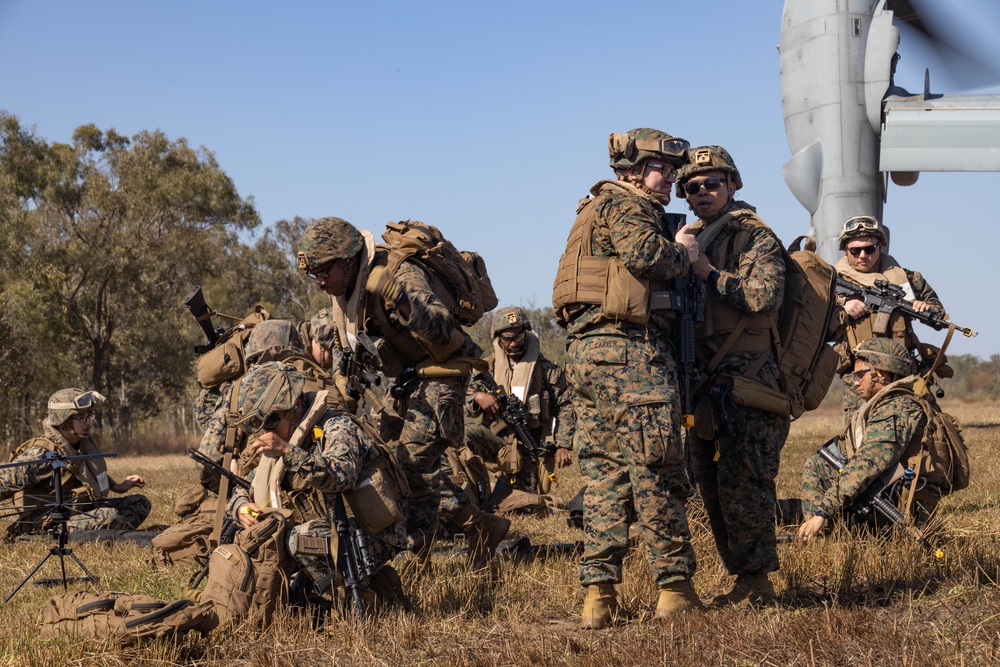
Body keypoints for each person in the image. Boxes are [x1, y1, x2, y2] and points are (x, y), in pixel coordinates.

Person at [551, 127, 702, 628]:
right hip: (629, 355)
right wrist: (683, 251)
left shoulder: (590, 209)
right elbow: (648, 258)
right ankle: (675, 592)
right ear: (633, 171)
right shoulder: (629, 204)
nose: (672, 181)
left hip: (587, 354)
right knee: (657, 469)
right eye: (664, 170)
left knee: (603, 477)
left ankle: (599, 596)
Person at [297, 217, 508, 570]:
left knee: (412, 463)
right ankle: (481, 525)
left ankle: (417, 553)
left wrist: (399, 297)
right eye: (313, 274)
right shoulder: (345, 295)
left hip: (443, 372)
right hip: (408, 379)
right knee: (393, 462)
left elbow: (443, 329)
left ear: (348, 260)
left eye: (324, 271)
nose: (320, 281)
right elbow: (348, 349)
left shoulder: (396, 272)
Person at [673, 145, 788, 607]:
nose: (702, 192)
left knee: (746, 481)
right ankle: (743, 580)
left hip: (749, 380)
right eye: (692, 187)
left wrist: (705, 271)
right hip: (704, 380)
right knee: (711, 483)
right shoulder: (689, 236)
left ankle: (758, 582)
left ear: (733, 185)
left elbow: (764, 297)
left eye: (712, 183)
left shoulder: (754, 236)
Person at [228, 361, 407, 609]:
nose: (264, 433)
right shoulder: (287, 439)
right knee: (296, 601)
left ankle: (368, 601)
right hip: (329, 532)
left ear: (295, 408)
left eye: (270, 422)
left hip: (371, 535)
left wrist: (287, 452)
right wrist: (241, 506)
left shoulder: (336, 427)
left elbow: (341, 476)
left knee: (298, 540)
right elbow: (243, 485)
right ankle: (373, 588)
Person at [796, 338, 930, 539]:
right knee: (820, 465)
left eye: (860, 375)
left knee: (818, 468)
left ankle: (821, 534)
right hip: (883, 496)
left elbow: (868, 463)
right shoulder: (888, 403)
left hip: (896, 512)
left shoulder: (898, 408)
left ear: (881, 374)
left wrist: (822, 512)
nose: (856, 382)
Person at [834, 215, 946, 424]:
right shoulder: (831, 282)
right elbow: (814, 323)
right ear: (845, 250)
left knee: (921, 426)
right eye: (855, 251)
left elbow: (939, 316)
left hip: (902, 369)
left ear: (881, 246)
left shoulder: (907, 279)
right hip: (859, 373)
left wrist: (926, 308)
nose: (862, 256)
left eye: (869, 249)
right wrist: (842, 308)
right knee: (859, 430)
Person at [2, 389, 150, 540]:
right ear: (63, 420)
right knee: (111, 517)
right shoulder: (41, 453)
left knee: (140, 503)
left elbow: (85, 473)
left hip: (82, 513)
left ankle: (104, 534)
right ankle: (36, 539)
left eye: (89, 416)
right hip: (50, 525)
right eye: (80, 417)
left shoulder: (80, 443)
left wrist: (117, 486)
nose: (88, 422)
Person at [466, 306, 575, 494]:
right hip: (496, 437)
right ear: (498, 338)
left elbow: (565, 406)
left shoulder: (547, 370)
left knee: (523, 501)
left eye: (518, 337)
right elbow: (465, 394)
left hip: (530, 445)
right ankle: (475, 490)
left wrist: (563, 444)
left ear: (526, 333)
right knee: (462, 437)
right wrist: (478, 397)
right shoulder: (487, 368)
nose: (513, 343)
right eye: (507, 338)